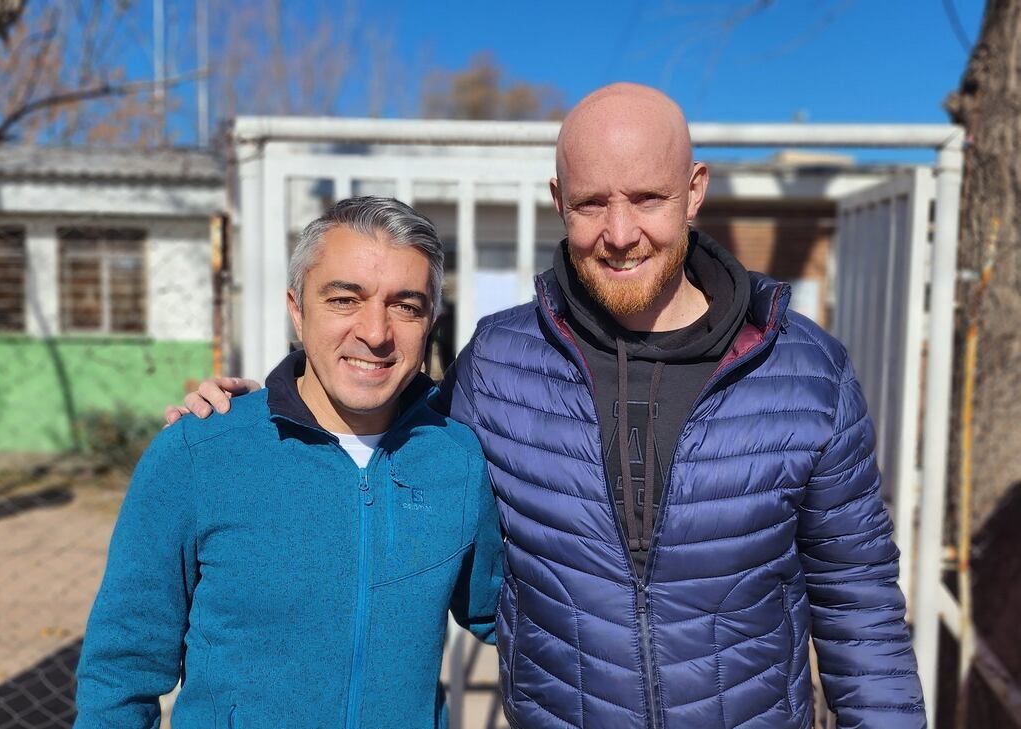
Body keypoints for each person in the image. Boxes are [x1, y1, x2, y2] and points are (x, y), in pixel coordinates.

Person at [171, 84, 925, 728]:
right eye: (593, 202)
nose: (621, 232)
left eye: (647, 199)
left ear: (694, 189)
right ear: (558, 200)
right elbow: (370, 433)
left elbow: (859, 608)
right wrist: (249, 415)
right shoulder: (498, 362)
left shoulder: (804, 368)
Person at [76, 197, 502, 729]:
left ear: (430, 322)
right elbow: (123, 670)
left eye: (405, 306)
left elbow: (516, 623)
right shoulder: (198, 454)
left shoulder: (458, 461)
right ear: (297, 309)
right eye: (345, 299)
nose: (375, 332)